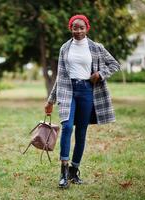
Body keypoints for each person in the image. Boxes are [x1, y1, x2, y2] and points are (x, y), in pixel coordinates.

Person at [45, 14, 121, 188]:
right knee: (67, 127)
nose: (78, 31)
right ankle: (63, 172)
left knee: (81, 132)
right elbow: (60, 76)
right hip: (68, 90)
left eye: (81, 28)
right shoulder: (65, 48)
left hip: (87, 91)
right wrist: (50, 100)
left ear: (87, 28)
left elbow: (114, 64)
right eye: (74, 27)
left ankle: (74, 171)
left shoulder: (96, 47)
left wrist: (100, 74)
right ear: (70, 28)